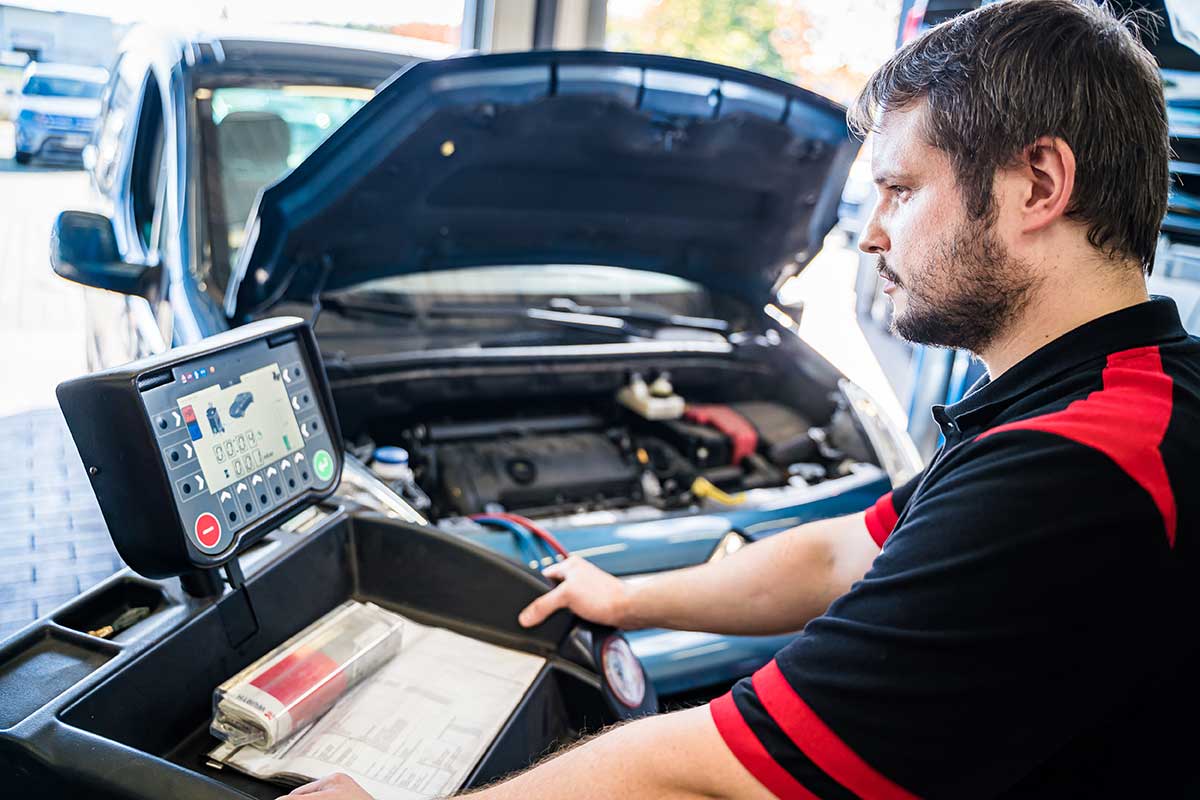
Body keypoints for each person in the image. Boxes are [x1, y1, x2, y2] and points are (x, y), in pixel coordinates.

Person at [284, 0, 1200, 796]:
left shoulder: (1082, 466)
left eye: (900, 189)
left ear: (1039, 184)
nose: (870, 234)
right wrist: (626, 596)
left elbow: (722, 773)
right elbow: (843, 553)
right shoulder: (1104, 398)